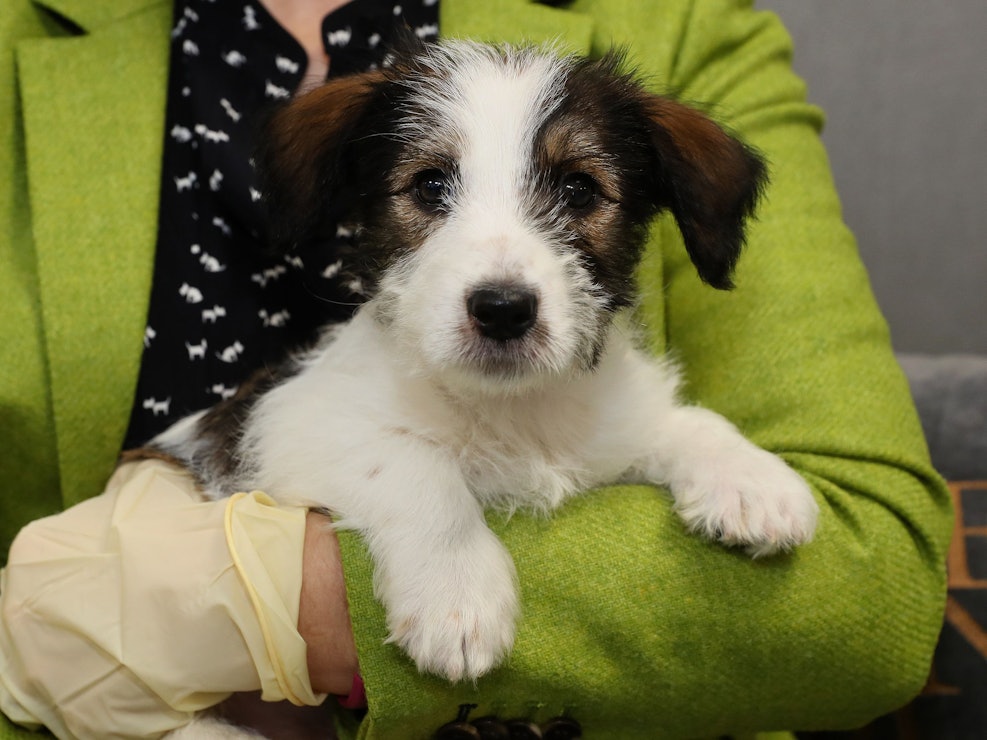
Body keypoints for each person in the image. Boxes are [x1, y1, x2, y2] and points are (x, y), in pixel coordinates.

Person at [0, 0, 953, 738]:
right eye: (431, 186)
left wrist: (706, 453)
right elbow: (293, 435)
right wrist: (434, 529)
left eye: (576, 190)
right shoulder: (359, 395)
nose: (503, 280)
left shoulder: (691, 24)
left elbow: (867, 592)